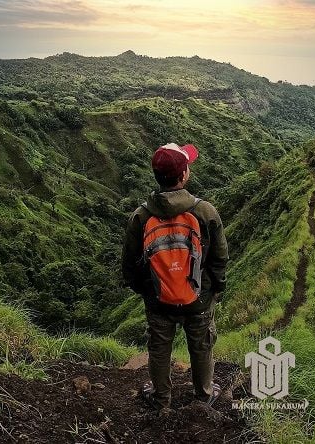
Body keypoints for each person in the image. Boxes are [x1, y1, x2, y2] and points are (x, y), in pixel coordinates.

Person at [122, 142, 229, 412]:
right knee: (201, 345)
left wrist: (147, 290)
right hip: (198, 296)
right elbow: (219, 258)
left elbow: (130, 265)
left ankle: (161, 399)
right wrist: (215, 288)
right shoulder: (205, 212)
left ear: (156, 176)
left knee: (159, 347)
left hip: (158, 298)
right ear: (184, 176)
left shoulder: (141, 216)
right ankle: (203, 396)